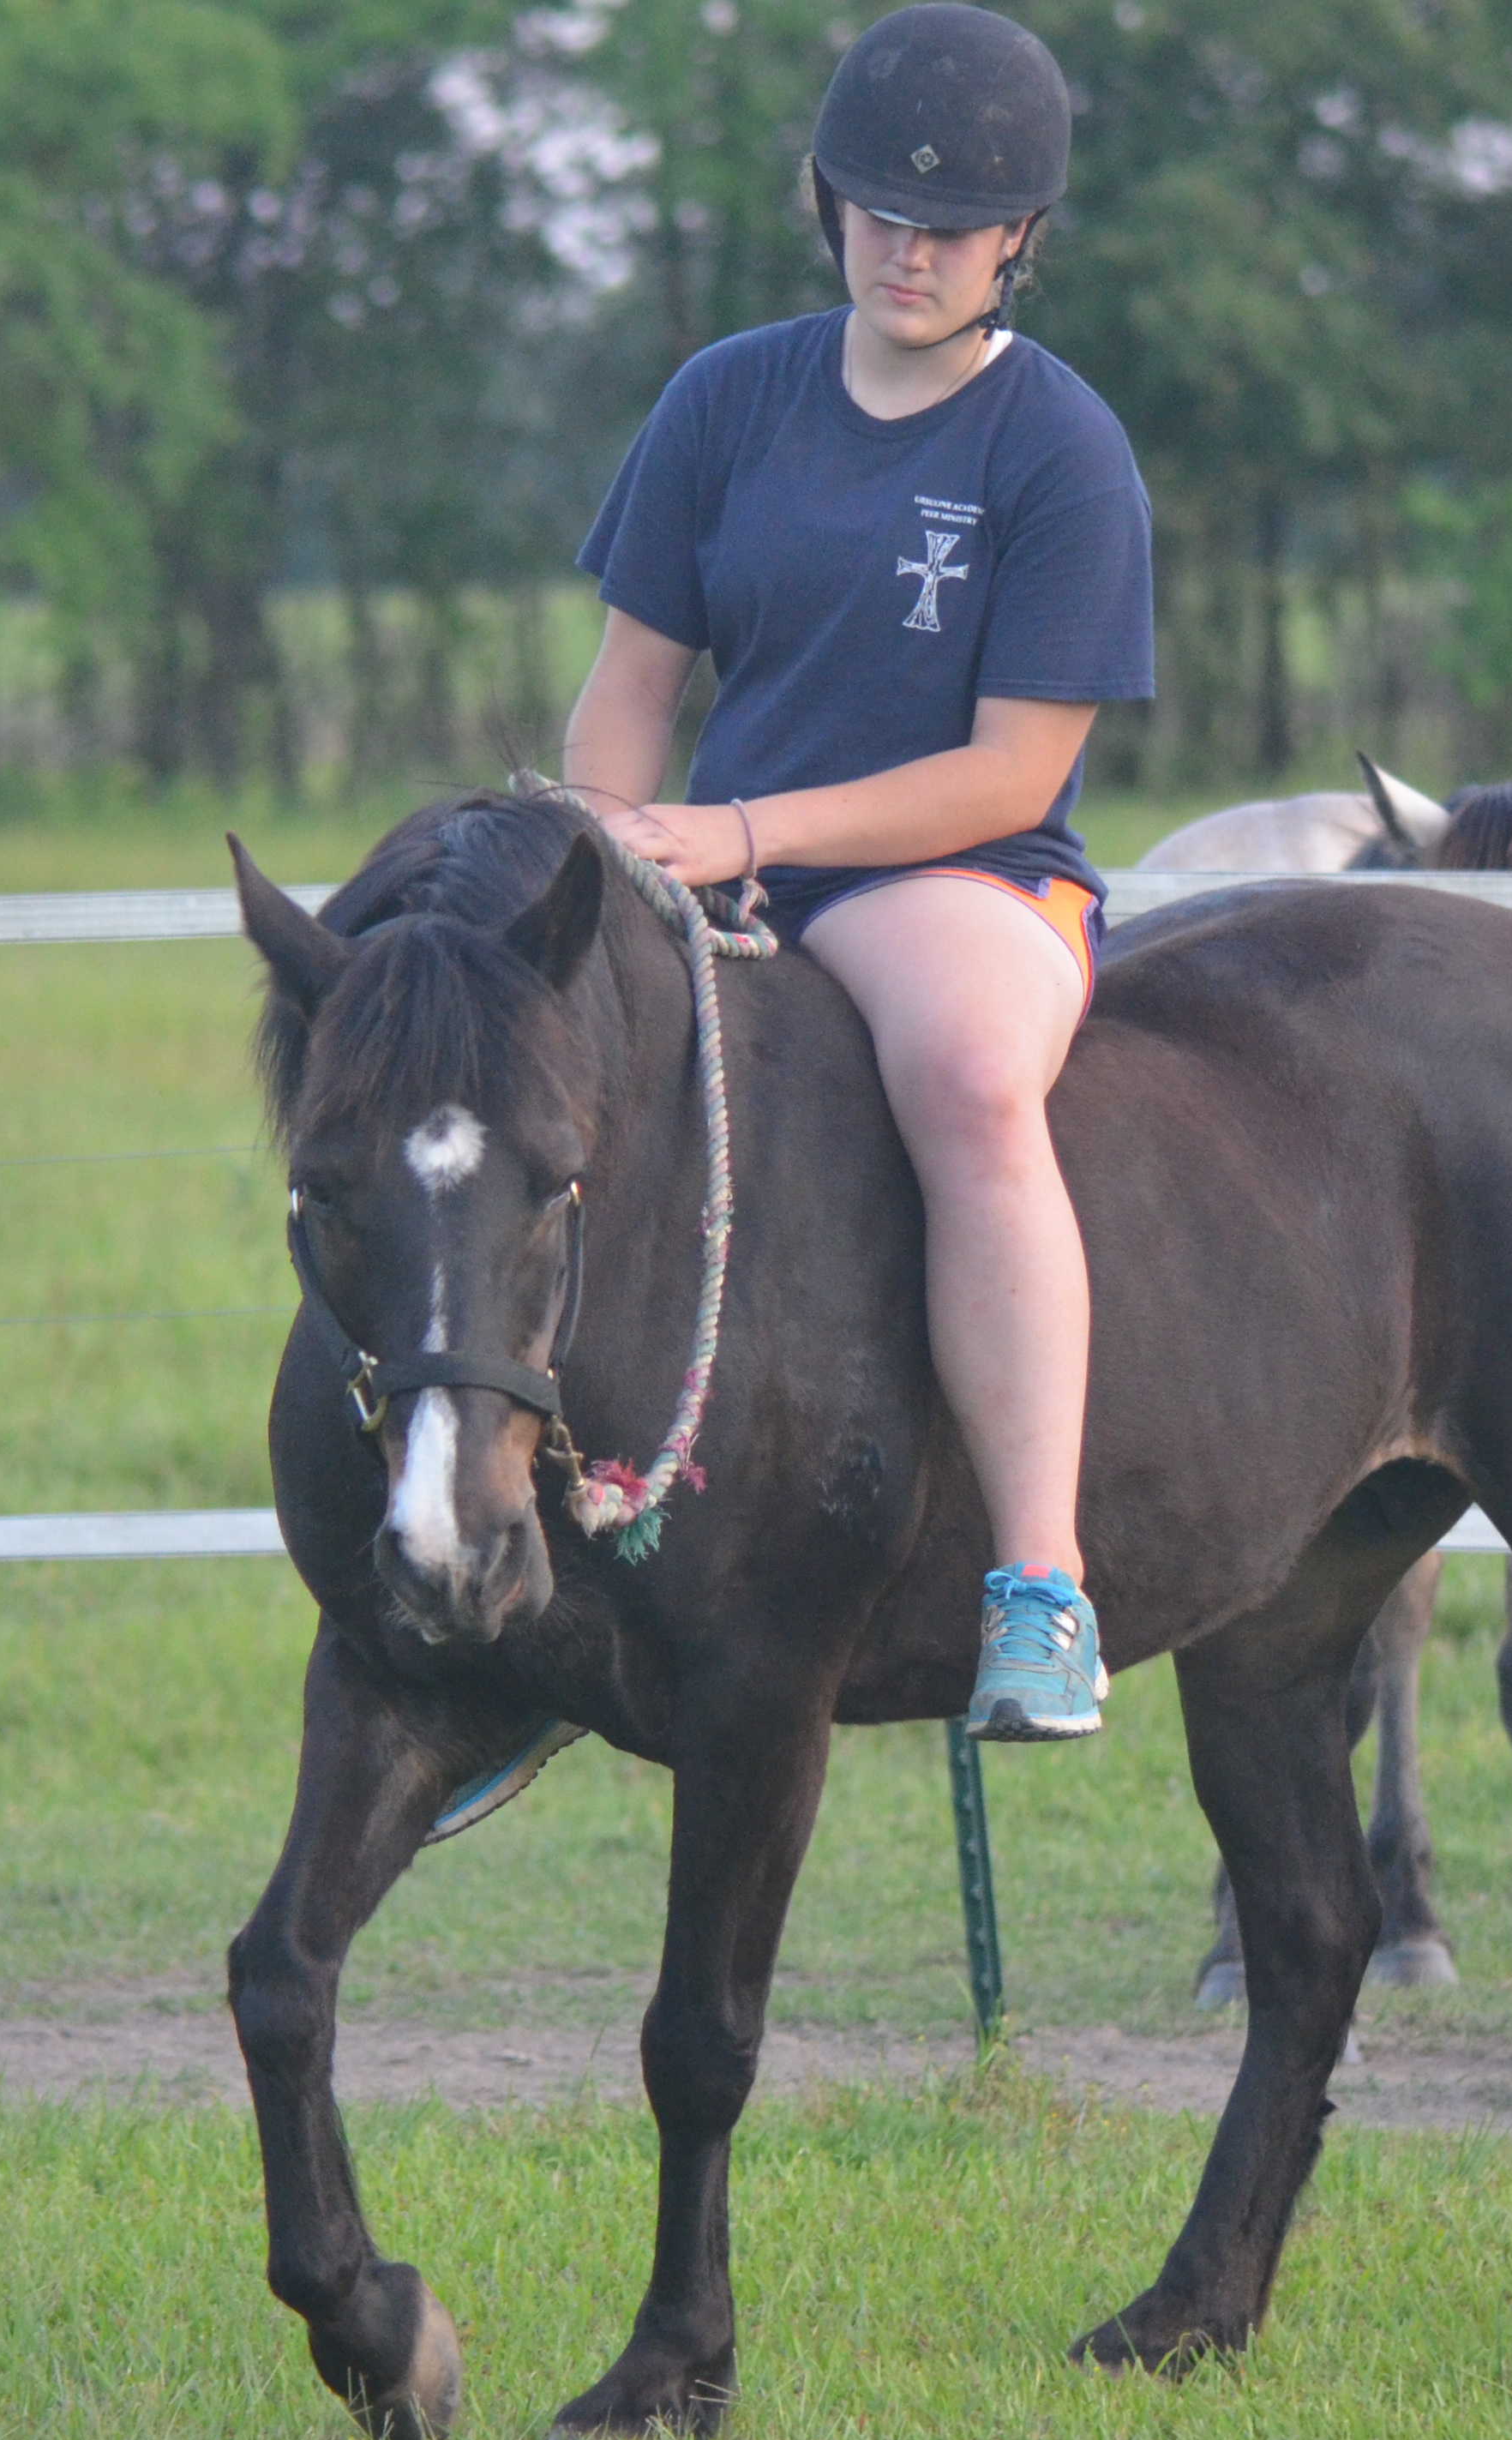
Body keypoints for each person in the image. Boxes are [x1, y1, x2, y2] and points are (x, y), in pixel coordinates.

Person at [564, 1, 1150, 1746]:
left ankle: (1039, 1587)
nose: (913, 246)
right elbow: (629, 693)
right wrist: (601, 863)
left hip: (961, 884)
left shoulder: (1058, 448)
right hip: (714, 872)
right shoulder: (722, 398)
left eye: (957, 222)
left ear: (1019, 241)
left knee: (972, 1084)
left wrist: (744, 837)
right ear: (824, 205)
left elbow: (1013, 767)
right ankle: (533, 1581)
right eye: (881, 209)